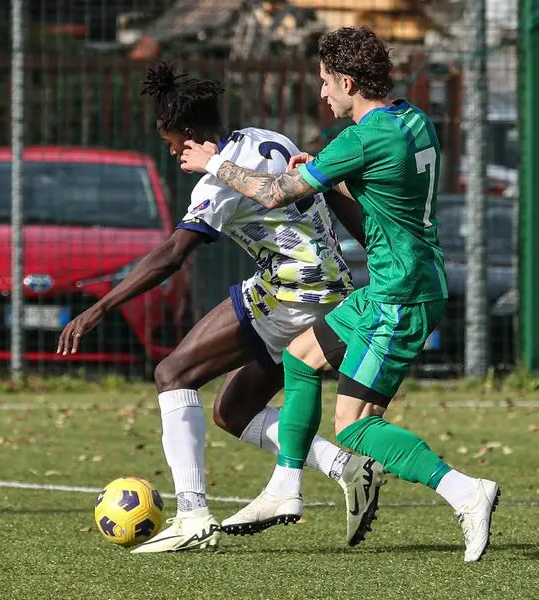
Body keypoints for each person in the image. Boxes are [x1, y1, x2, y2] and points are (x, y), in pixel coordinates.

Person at [180, 27, 500, 562]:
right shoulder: (411, 118)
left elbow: (272, 191)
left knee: (354, 428)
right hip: (398, 284)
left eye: (327, 83)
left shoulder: (360, 138)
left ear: (349, 81)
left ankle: (465, 491)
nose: (323, 94)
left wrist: (214, 162)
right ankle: (285, 487)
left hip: (402, 296)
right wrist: (328, 174)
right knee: (302, 359)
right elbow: (382, 182)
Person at [56, 61, 386, 553]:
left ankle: (192, 514)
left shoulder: (216, 183)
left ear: (189, 135)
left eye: (171, 143)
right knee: (234, 411)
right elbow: (327, 191)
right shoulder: (267, 138)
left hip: (292, 292)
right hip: (329, 289)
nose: (170, 152)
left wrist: (99, 307)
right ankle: (346, 467)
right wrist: (374, 247)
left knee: (173, 374)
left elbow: (172, 255)